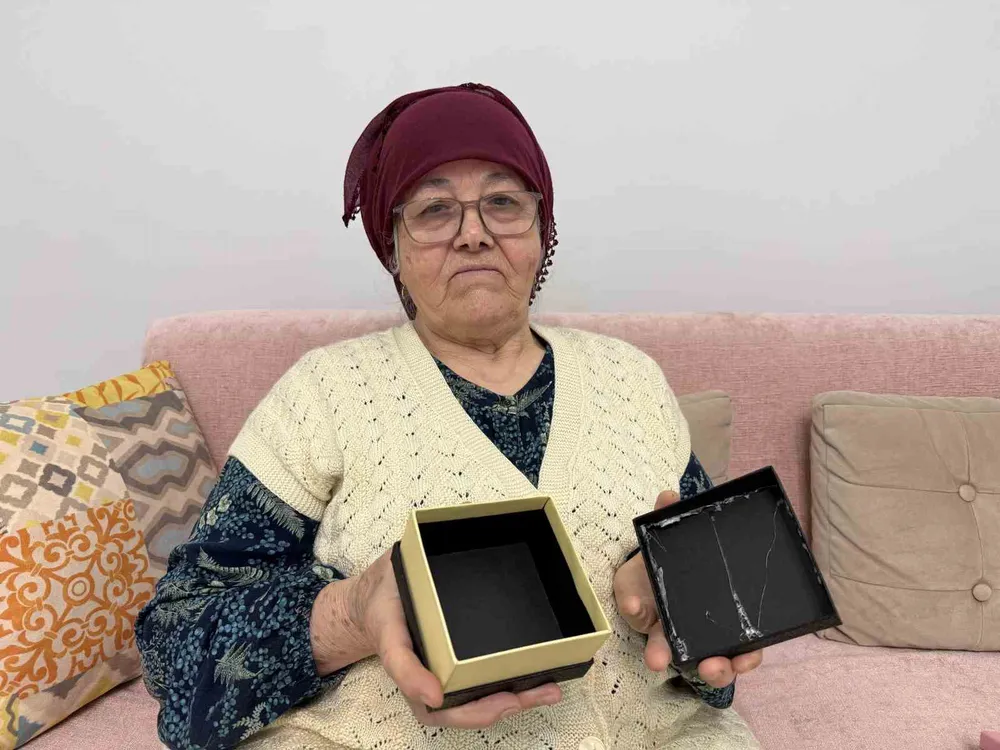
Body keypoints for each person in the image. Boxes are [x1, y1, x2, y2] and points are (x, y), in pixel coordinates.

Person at [136, 83, 763, 750]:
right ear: (393, 251)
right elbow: (173, 645)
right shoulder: (324, 392)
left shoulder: (631, 377)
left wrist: (674, 603)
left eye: (503, 202)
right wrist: (352, 613)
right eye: (435, 210)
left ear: (542, 231)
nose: (473, 233)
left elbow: (722, 640)